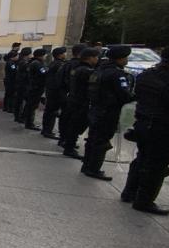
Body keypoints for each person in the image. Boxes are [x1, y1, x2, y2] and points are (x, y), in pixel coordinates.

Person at [120, 44, 169, 215]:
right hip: (165, 128)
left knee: (142, 158)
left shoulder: (148, 75)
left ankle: (129, 192)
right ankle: (144, 201)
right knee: (157, 166)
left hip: (143, 123)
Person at [81, 45, 135, 181]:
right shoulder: (116, 73)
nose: (127, 60)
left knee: (92, 138)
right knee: (101, 141)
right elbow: (125, 95)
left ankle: (86, 165)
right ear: (120, 58)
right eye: (126, 57)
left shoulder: (99, 70)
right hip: (108, 112)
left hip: (95, 109)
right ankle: (94, 169)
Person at [62, 47, 100, 159]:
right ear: (90, 58)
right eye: (96, 57)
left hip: (74, 100)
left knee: (72, 124)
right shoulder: (86, 71)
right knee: (76, 125)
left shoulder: (77, 68)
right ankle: (69, 147)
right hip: (80, 101)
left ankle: (68, 144)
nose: (97, 59)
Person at [57, 44, 87, 146]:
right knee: (71, 120)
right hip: (72, 96)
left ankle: (63, 138)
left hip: (66, 95)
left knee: (65, 117)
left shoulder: (67, 64)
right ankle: (68, 140)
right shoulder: (77, 66)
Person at [41, 47, 67, 139]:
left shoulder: (53, 63)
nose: (65, 54)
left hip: (51, 90)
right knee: (52, 112)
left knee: (49, 111)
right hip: (55, 91)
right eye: (64, 53)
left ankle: (45, 130)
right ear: (60, 55)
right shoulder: (59, 65)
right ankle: (48, 131)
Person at [22, 48, 48, 130]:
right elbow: (45, 73)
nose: (46, 56)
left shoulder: (34, 62)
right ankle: (29, 123)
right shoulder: (37, 64)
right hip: (35, 88)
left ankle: (27, 121)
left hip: (33, 87)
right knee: (32, 106)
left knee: (30, 105)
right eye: (44, 55)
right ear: (40, 56)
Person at [13, 47, 32, 123]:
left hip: (20, 84)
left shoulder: (22, 62)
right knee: (21, 102)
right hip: (22, 85)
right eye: (30, 53)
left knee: (19, 101)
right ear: (27, 55)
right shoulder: (24, 63)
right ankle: (20, 117)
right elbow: (26, 75)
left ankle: (18, 116)